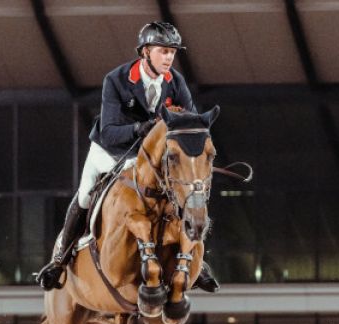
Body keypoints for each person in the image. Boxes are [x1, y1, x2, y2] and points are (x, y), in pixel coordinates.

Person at [35, 21, 218, 293]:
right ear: (145, 52)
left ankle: (194, 260)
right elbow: (108, 132)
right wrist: (139, 128)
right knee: (86, 193)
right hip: (112, 151)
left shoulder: (176, 81)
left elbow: (187, 124)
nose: (169, 57)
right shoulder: (117, 80)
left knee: (180, 191)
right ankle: (61, 259)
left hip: (150, 158)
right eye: (163, 51)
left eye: (172, 52)